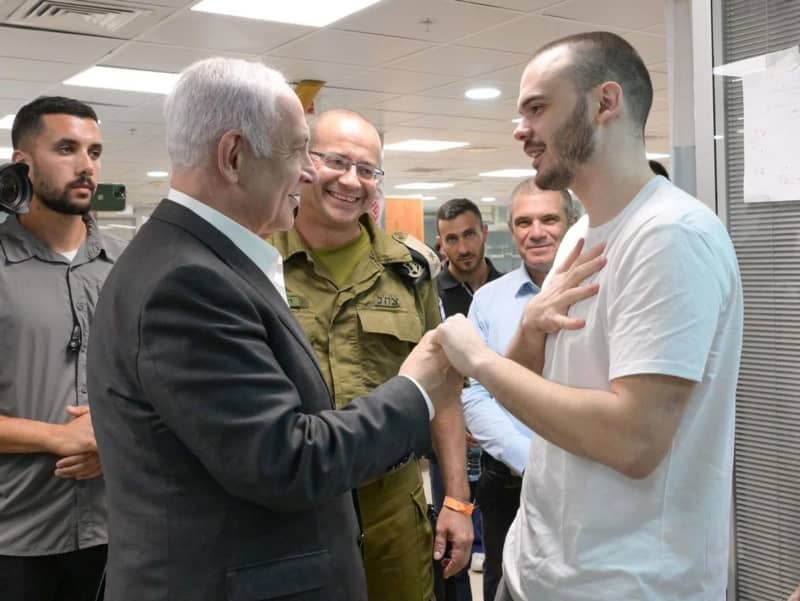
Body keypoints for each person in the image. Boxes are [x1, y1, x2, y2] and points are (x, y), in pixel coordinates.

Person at [87, 58, 465, 601]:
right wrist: (416, 389)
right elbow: (286, 460)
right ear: (235, 156)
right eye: (297, 151)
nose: (308, 173)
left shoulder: (200, 262)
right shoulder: (189, 282)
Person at [435, 31, 743, 601]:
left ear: (605, 103)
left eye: (537, 108)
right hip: (537, 565)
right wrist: (527, 332)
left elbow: (634, 441)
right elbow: (528, 382)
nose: (519, 129)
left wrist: (475, 357)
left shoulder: (670, 236)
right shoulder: (582, 233)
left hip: (625, 585)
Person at [271, 109, 472, 601]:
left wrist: (458, 502)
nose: (351, 180)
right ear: (303, 163)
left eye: (367, 169)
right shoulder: (261, 262)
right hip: (294, 507)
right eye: (336, 161)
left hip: (393, 509)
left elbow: (442, 392)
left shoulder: (410, 270)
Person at [0, 96, 125, 600]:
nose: (86, 166)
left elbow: (163, 383)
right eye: (67, 148)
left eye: (94, 152)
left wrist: (108, 435)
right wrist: (59, 438)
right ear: (22, 164)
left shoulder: (129, 264)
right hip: (17, 536)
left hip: (120, 529)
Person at [462, 179, 575, 601]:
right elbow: (474, 394)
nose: (537, 231)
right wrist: (530, 461)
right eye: (524, 222)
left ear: (573, 223)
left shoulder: (604, 292)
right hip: (509, 481)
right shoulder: (488, 301)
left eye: (549, 219)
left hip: (586, 482)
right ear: (512, 230)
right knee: (504, 583)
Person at [430, 197, 503, 601]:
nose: (462, 248)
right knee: (451, 542)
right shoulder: (431, 297)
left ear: (484, 233)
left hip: (504, 441)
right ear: (441, 244)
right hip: (453, 440)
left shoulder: (511, 288)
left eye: (470, 234)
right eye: (451, 239)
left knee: (501, 540)